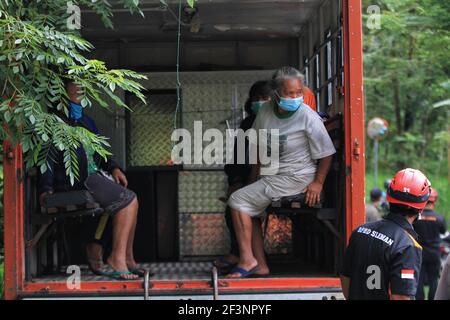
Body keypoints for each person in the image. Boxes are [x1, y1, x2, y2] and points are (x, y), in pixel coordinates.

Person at [226, 66, 336, 278]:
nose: (295, 98)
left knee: (238, 201)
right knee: (248, 205)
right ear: (276, 93)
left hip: (298, 177)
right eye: (289, 93)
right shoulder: (266, 112)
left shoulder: (307, 115)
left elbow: (327, 153)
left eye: (298, 93)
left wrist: (318, 183)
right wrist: (252, 178)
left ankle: (248, 259)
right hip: (274, 176)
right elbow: (257, 146)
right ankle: (260, 265)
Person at [38, 79, 142, 280]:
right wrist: (46, 188)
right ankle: (116, 259)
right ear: (62, 90)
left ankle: (128, 259)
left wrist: (114, 168)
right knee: (128, 202)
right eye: (74, 84)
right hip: (75, 182)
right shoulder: (53, 121)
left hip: (93, 176)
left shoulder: (86, 121)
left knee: (132, 198)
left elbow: (99, 152)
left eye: (82, 85)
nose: (80, 88)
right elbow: (46, 157)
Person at [340, 168, 430, 300]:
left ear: (389, 197)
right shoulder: (407, 246)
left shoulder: (359, 232)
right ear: (421, 207)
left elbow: (345, 276)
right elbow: (401, 297)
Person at [215, 80, 272, 275]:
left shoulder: (277, 123)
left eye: (265, 98)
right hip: (250, 177)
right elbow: (237, 159)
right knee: (233, 203)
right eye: (256, 99)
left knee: (241, 202)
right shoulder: (248, 123)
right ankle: (240, 253)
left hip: (271, 179)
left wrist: (249, 182)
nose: (260, 102)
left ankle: (245, 257)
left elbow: (264, 160)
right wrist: (237, 180)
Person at [414, 188, 447, 300]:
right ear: (434, 201)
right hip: (434, 253)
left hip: (420, 252)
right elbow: (443, 232)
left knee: (419, 279)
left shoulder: (416, 217)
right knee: (434, 280)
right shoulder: (439, 218)